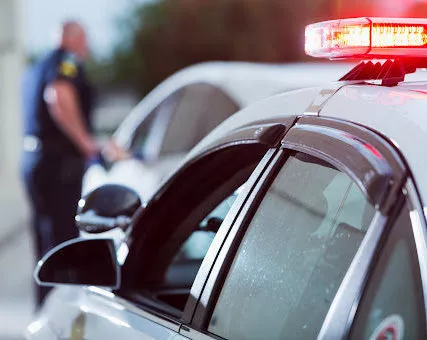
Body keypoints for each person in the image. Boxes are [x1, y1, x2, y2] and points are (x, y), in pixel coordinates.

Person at [21, 21, 98, 307]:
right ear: (73, 39)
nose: (87, 47)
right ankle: (62, 318)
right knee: (64, 242)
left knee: (44, 241)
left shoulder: (35, 67)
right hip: (58, 164)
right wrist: (86, 143)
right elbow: (58, 96)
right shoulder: (65, 61)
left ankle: (44, 310)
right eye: (85, 39)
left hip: (33, 159)